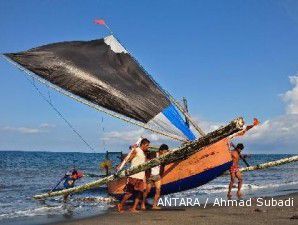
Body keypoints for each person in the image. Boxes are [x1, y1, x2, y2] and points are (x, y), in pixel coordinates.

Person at [227, 118, 260, 200]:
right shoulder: (231, 152)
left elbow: (240, 158)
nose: (240, 151)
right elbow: (228, 158)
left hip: (236, 167)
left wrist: (247, 156)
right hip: (231, 167)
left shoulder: (238, 153)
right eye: (240, 149)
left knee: (241, 179)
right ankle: (229, 193)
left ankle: (238, 191)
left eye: (241, 150)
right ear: (238, 148)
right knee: (232, 181)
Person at [116, 138, 150, 213]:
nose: (148, 147)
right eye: (147, 145)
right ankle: (120, 205)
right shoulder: (136, 150)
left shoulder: (143, 153)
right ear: (143, 144)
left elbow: (143, 165)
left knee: (140, 192)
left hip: (141, 176)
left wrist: (144, 177)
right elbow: (128, 159)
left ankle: (133, 208)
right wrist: (120, 165)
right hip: (134, 175)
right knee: (129, 193)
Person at [142, 144, 169, 210]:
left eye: (166, 152)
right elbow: (146, 163)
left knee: (158, 190)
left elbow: (163, 165)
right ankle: (143, 203)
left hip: (157, 176)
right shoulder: (152, 154)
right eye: (164, 151)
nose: (165, 153)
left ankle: (154, 205)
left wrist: (160, 174)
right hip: (150, 175)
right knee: (147, 190)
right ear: (160, 151)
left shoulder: (164, 157)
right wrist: (146, 174)